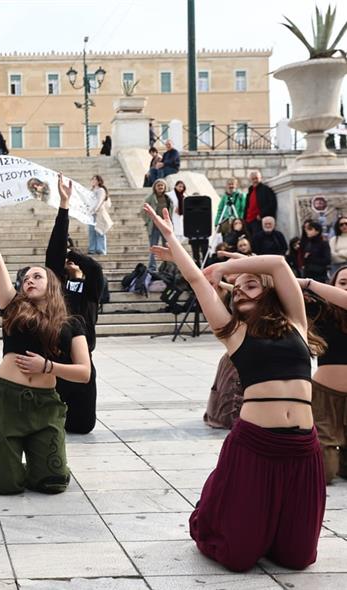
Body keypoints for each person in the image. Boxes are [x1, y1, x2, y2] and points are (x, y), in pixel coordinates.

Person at [144, 203, 326, 573]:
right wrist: (172, 239)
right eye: (236, 289)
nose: (241, 290)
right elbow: (198, 282)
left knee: (298, 559)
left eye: (250, 283)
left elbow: (277, 265)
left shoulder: (295, 321)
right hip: (255, 444)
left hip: (302, 448)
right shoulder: (234, 332)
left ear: (268, 291)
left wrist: (228, 267)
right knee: (237, 557)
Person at [0, 176, 91, 496]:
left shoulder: (72, 323)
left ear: (52, 283)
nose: (30, 280)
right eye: (26, 278)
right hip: (4, 401)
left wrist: (48, 367)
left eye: (38, 275)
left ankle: (39, 461)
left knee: (53, 483)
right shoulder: (12, 306)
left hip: (46, 405)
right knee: (6, 485)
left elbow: (84, 373)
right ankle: (0, 459)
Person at [46, 180, 104, 434]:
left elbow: (95, 269)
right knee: (53, 423)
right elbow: (53, 255)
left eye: (72, 258)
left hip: (83, 359)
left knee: (83, 426)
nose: (68, 261)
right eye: (66, 258)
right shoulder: (56, 286)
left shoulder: (91, 290)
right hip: (57, 357)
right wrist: (64, 206)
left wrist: (75, 255)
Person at [303, 267, 347, 484]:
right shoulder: (322, 311)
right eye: (343, 282)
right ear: (333, 286)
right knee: (324, 470)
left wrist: (309, 282)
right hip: (323, 394)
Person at [143, 179, 171, 271]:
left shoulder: (168, 198)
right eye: (158, 185)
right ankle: (152, 267)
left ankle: (166, 267)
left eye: (162, 185)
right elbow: (143, 211)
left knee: (167, 246)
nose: (160, 187)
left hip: (165, 225)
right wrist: (149, 221)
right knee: (153, 247)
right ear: (155, 187)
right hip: (154, 225)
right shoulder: (150, 198)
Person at [244, 170, 277, 237]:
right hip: (248, 221)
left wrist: (261, 215)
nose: (255, 180)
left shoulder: (266, 189)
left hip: (258, 221)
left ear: (260, 178)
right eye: (253, 179)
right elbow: (247, 206)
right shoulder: (250, 191)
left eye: (256, 178)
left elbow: (272, 203)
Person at [88, 175, 111, 255]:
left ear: (98, 181)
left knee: (99, 231)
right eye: (92, 179)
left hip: (98, 213)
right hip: (91, 214)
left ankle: (101, 249)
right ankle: (92, 249)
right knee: (91, 231)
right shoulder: (91, 190)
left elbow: (100, 201)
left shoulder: (101, 190)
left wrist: (95, 209)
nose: (92, 180)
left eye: (94, 179)